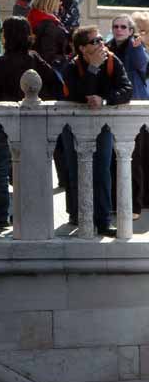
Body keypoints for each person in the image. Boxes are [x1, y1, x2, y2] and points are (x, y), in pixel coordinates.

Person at [0, 17, 61, 229]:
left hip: (5, 124)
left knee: (0, 168)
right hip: (31, 124)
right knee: (29, 167)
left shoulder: (1, 62)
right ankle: (29, 209)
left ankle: (0, 213)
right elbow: (56, 83)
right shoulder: (34, 59)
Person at [61, 26, 132, 236]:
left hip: (102, 125)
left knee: (101, 171)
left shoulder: (112, 60)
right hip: (72, 125)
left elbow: (126, 90)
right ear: (82, 49)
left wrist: (106, 100)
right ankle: (77, 214)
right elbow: (77, 93)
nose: (101, 43)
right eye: (95, 41)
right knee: (74, 171)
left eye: (101, 39)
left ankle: (102, 220)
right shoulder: (72, 66)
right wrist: (92, 69)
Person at [107, 14, 149, 218]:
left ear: (131, 30)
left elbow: (143, 66)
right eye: (116, 26)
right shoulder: (107, 47)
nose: (119, 30)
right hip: (114, 106)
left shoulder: (135, 47)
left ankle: (135, 206)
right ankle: (117, 201)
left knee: (135, 158)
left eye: (124, 27)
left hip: (134, 106)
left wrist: (138, 46)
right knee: (115, 159)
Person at [28, 0, 68, 73]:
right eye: (60, 0)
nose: (61, 3)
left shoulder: (33, 16)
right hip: (50, 74)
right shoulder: (48, 24)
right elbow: (48, 57)